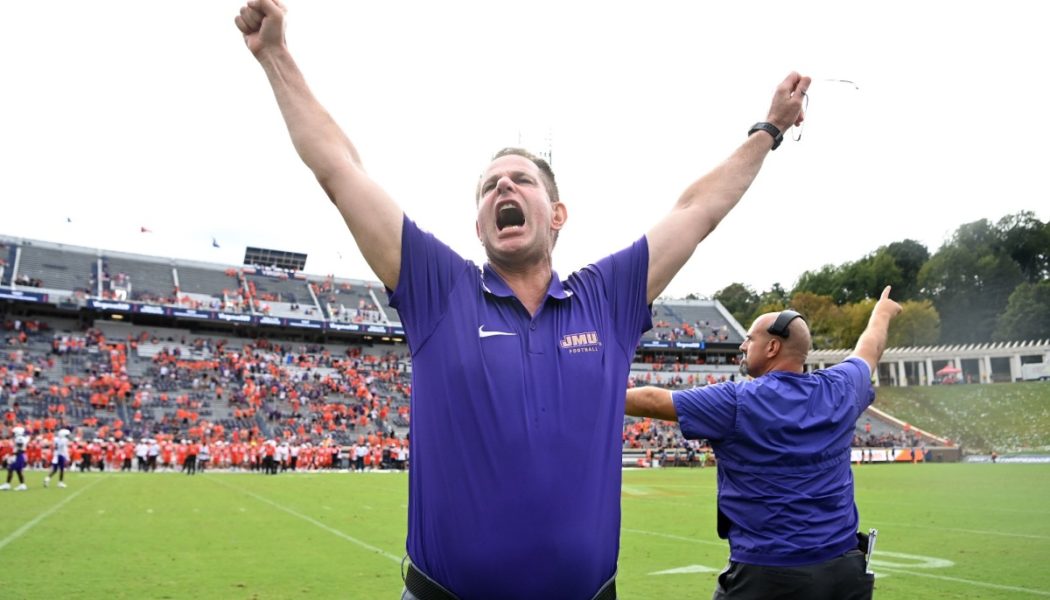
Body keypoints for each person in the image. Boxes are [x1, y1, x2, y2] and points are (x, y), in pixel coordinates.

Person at [234, 1, 809, 597]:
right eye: (489, 187)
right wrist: (275, 54)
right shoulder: (441, 289)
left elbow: (696, 210)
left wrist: (767, 130)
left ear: (557, 215)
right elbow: (340, 169)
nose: (503, 186)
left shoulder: (605, 298)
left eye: (522, 180)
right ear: (479, 226)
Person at [626, 286, 902, 599]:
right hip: (844, 572)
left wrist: (587, 388)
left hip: (769, 573)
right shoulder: (841, 387)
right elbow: (870, 348)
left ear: (772, 347)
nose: (743, 345)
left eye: (750, 339)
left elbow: (651, 399)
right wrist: (882, 312)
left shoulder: (736, 400)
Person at [1, 426, 30, 491]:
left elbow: (20, 449)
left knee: (11, 469)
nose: (13, 433)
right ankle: (22, 485)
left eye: (14, 432)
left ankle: (7, 484)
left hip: (18, 456)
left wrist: (12, 455)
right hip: (18, 456)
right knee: (18, 471)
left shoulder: (19, 438)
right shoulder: (20, 438)